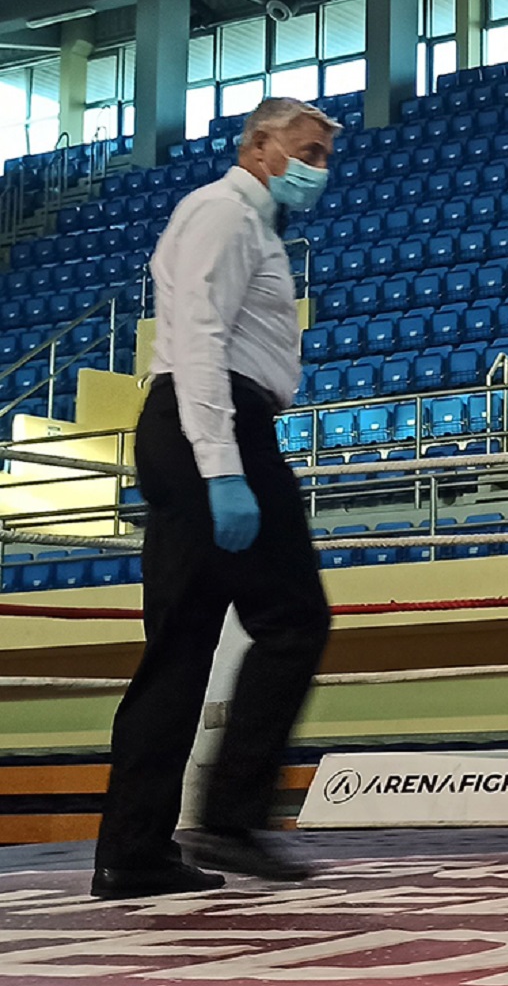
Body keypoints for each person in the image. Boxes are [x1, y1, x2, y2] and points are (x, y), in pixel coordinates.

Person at [92, 98, 338, 899]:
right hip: (214, 420)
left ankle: (133, 851)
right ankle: (229, 817)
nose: (318, 167)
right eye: (307, 149)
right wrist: (223, 466)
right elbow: (196, 336)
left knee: (182, 644)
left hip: (199, 424)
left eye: (326, 155)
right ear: (261, 146)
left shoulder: (252, 224)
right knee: (294, 618)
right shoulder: (224, 213)